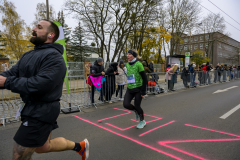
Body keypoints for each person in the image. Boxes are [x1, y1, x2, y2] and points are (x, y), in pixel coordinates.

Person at [0, 20, 89, 160]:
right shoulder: (27, 55)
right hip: (31, 108)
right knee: (43, 147)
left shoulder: (54, 57)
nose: (33, 29)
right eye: (35, 26)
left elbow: (42, 84)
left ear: (51, 35)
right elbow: (11, 73)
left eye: (39, 27)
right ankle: (80, 146)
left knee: (19, 155)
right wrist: (4, 79)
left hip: (42, 111)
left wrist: (8, 82)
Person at [123, 49, 148, 129]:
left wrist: (143, 91)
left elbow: (145, 78)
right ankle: (136, 111)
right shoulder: (127, 64)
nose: (127, 56)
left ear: (133, 55)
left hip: (138, 89)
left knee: (137, 105)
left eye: (129, 54)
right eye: (127, 54)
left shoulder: (138, 64)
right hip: (130, 88)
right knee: (126, 104)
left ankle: (142, 121)